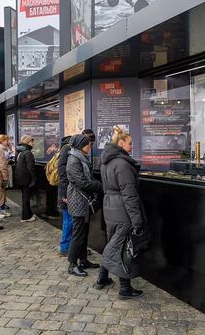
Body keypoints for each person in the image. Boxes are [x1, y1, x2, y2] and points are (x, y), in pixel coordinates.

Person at [96, 127, 145, 299]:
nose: (132, 147)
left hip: (110, 206)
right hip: (122, 209)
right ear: (121, 143)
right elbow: (129, 195)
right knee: (123, 248)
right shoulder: (123, 164)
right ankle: (125, 289)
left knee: (114, 244)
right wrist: (137, 220)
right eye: (130, 144)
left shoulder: (106, 161)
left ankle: (102, 279)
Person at [66, 134, 102, 277]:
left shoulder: (80, 158)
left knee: (84, 232)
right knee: (78, 234)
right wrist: (99, 186)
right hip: (78, 201)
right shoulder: (73, 160)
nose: (90, 146)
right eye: (88, 144)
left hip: (83, 200)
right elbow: (83, 183)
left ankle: (83, 260)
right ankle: (72, 264)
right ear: (81, 145)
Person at [14, 135, 37, 223]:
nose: (33, 143)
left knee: (25, 197)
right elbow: (31, 167)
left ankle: (29, 213)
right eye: (32, 142)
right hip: (26, 179)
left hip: (19, 178)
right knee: (26, 198)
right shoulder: (28, 152)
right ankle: (25, 217)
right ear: (27, 142)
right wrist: (34, 178)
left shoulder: (20, 152)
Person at [58, 135, 73, 257]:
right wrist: (65, 194)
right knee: (68, 221)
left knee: (69, 221)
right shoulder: (66, 150)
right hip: (66, 192)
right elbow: (63, 175)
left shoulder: (65, 150)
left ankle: (70, 246)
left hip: (67, 192)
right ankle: (65, 248)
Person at [0, 134, 13, 219]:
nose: (8, 142)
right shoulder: (0, 149)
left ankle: (2, 209)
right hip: (3, 172)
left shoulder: (6, 149)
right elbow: (2, 163)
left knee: (4, 191)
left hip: (7, 170)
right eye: (6, 140)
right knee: (1, 192)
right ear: (2, 141)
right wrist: (8, 160)